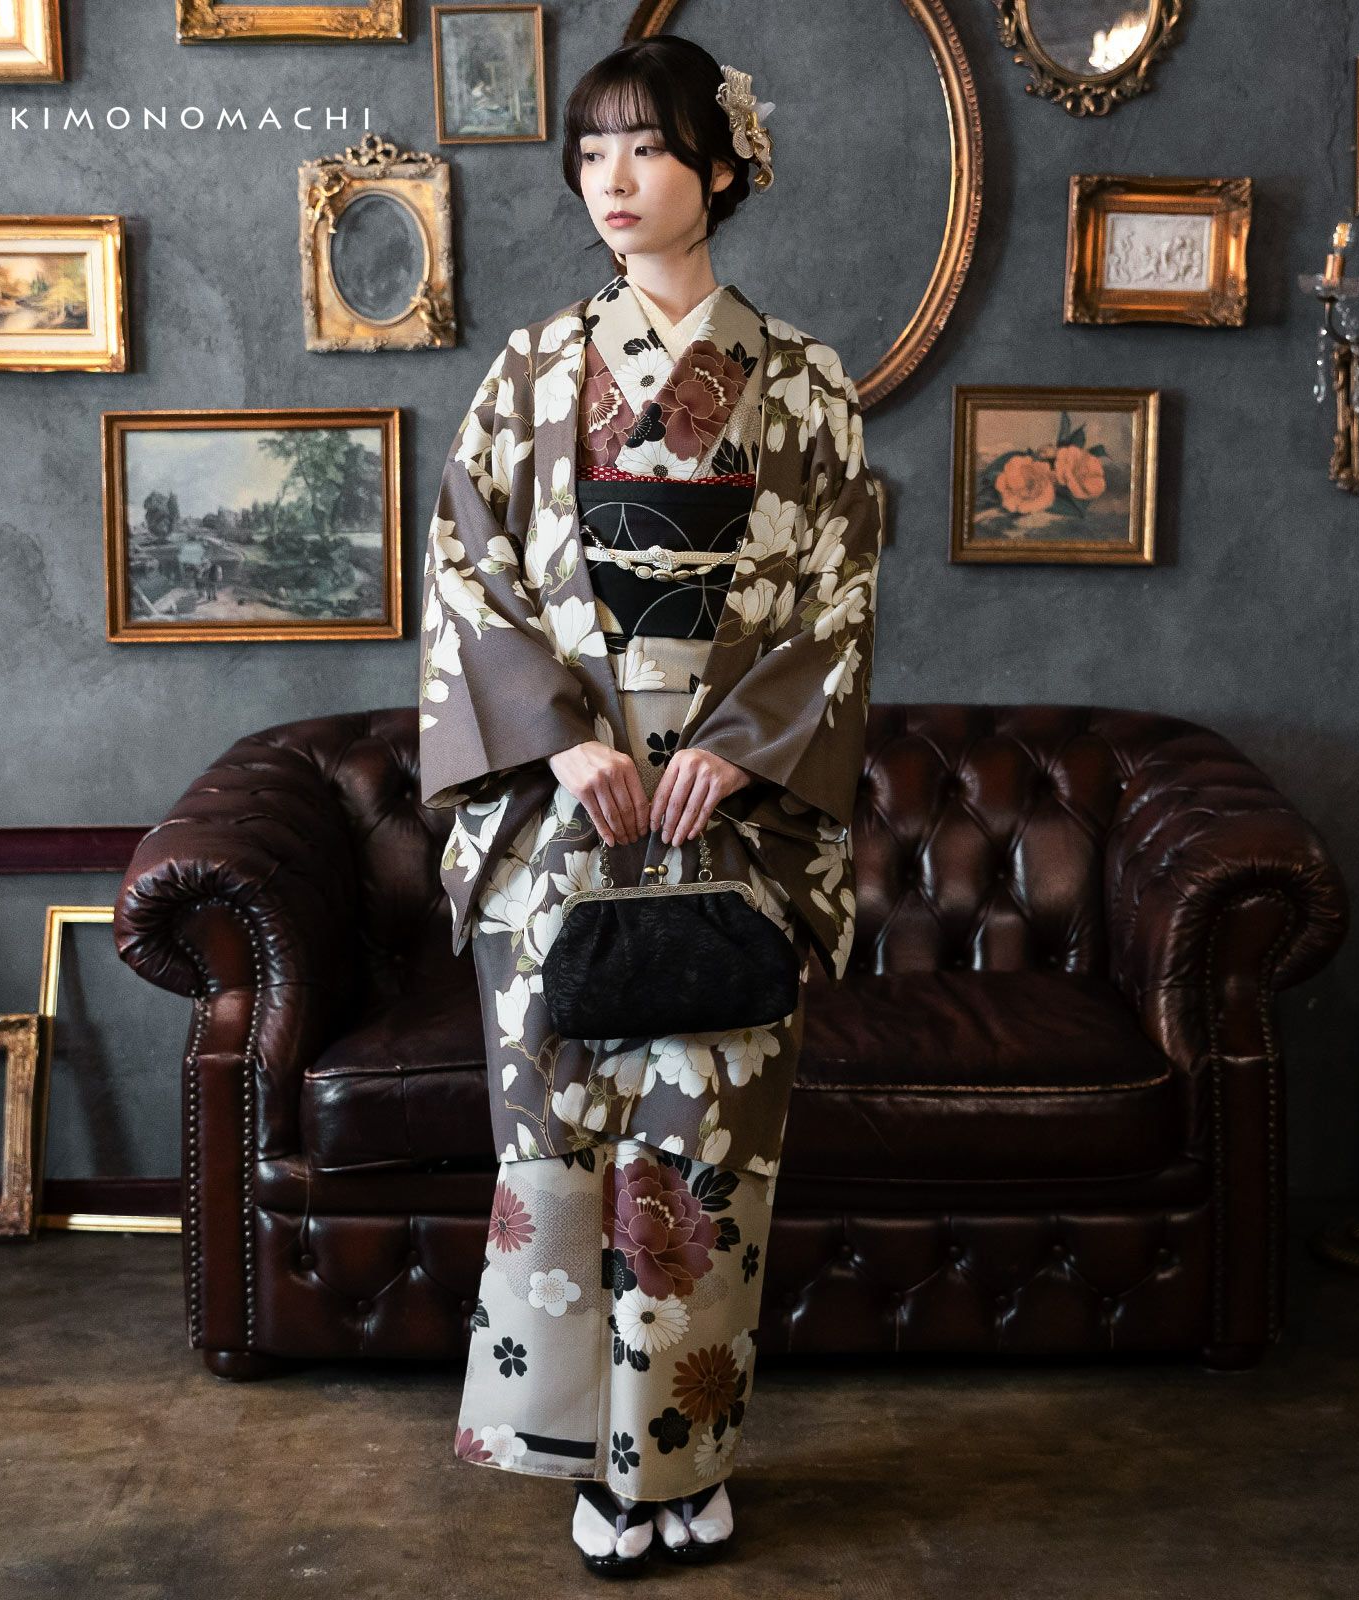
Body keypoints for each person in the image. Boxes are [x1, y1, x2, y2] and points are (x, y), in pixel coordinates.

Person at [417, 34, 881, 1577]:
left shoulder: (803, 384)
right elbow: (468, 572)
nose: (611, 178)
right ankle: (596, 1469)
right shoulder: (531, 370)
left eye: (649, 147)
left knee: (702, 1155)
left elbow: (838, 599)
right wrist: (562, 744)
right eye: (592, 150)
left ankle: (682, 1458)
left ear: (723, 168)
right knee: (559, 1144)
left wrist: (738, 749)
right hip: (562, 826)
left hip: (725, 823)